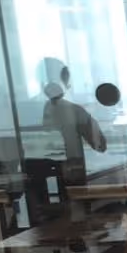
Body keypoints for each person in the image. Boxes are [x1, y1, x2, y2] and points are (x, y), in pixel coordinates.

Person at [39, 57, 107, 185]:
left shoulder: (30, 108)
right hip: (71, 167)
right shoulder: (75, 110)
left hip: (43, 169)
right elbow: (100, 145)